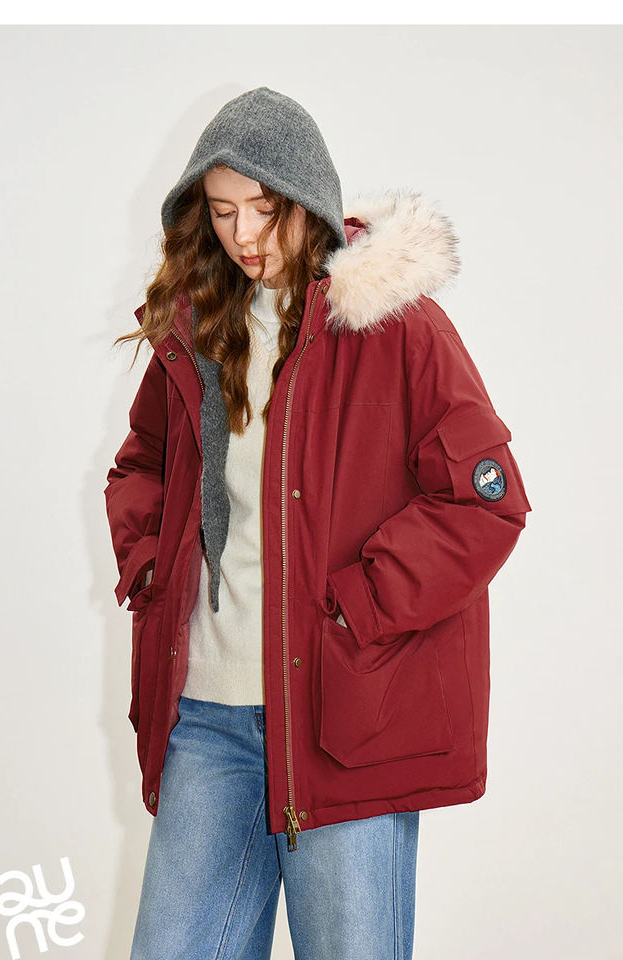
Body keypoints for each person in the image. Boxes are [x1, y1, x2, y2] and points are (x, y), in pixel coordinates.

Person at [104, 86, 532, 960]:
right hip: (208, 717)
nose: (243, 234)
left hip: (344, 720)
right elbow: (141, 464)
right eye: (221, 210)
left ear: (308, 201)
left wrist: (352, 607)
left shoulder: (395, 328)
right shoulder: (197, 328)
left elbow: (484, 500)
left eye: (263, 208)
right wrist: (155, 570)